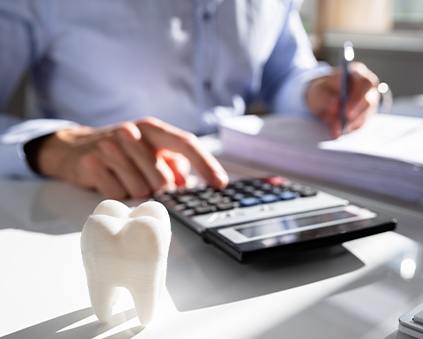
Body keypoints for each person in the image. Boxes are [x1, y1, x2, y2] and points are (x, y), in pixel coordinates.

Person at [0, 0, 379, 199]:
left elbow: (283, 75)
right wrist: (54, 147)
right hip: (92, 199)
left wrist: (316, 92)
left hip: (241, 188)